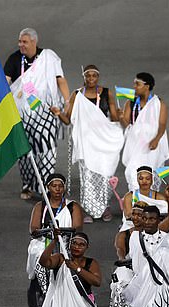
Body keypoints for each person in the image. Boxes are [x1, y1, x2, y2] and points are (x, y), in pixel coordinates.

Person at [52, 65, 124, 224]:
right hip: (86, 143)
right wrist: (58, 114)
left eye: (94, 76)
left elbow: (113, 117)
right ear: (83, 77)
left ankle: (104, 207)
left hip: (103, 140)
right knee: (88, 177)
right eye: (88, 76)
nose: (91, 79)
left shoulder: (107, 93)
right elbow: (68, 119)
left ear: (98, 77)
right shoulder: (76, 95)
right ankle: (89, 209)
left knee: (104, 174)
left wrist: (119, 115)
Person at [4, 28, 70, 200]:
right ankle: (27, 184)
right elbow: (6, 82)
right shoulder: (14, 59)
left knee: (48, 148)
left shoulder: (48, 57)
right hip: (23, 112)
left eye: (24, 42)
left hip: (46, 110)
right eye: (19, 41)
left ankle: (46, 186)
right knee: (25, 151)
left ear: (34, 42)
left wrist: (67, 100)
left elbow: (60, 79)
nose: (21, 45)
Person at [109, 193, 169, 307]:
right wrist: (125, 261)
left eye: (140, 215)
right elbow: (120, 251)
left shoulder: (157, 231)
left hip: (149, 272)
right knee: (119, 287)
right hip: (128, 268)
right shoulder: (124, 234)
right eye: (134, 214)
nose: (136, 217)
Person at [26, 174, 84, 307]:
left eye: (60, 186)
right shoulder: (41, 206)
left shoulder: (72, 206)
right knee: (40, 257)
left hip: (65, 242)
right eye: (54, 186)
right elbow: (33, 229)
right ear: (48, 187)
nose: (57, 189)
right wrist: (47, 232)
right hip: (44, 242)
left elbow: (78, 227)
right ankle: (46, 295)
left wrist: (62, 232)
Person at [119, 73, 169, 191]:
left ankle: (149, 202)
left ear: (147, 86)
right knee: (133, 172)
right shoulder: (130, 102)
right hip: (135, 144)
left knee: (149, 174)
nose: (134, 87)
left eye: (137, 84)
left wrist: (156, 139)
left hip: (152, 145)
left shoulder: (159, 103)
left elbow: (162, 125)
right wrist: (121, 118)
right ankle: (136, 201)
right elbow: (126, 125)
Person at [120, 166, 169, 231]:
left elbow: (168, 216)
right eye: (141, 178)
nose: (144, 181)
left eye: (147, 178)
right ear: (137, 180)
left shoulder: (160, 198)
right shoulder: (130, 196)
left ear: (152, 180)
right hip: (134, 229)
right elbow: (129, 216)